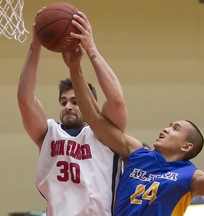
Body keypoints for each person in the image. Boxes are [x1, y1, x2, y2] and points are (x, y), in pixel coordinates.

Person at [67, 12, 204, 216]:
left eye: (175, 129)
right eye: (169, 125)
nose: (166, 129)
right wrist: (75, 66)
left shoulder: (190, 177)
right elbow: (95, 119)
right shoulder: (136, 152)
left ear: (186, 146)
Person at [17, 9, 127, 216]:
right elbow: (25, 100)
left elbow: (117, 101)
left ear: (89, 103)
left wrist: (90, 48)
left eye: (76, 102)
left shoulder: (105, 134)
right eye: (63, 101)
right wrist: (36, 45)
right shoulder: (48, 133)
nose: (68, 106)